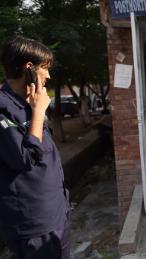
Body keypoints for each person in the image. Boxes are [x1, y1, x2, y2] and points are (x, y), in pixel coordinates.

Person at [0, 36, 70, 259]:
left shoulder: (29, 101)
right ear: (28, 68)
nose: (48, 76)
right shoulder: (3, 108)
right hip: (33, 224)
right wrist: (39, 111)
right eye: (44, 68)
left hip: (56, 212)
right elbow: (25, 158)